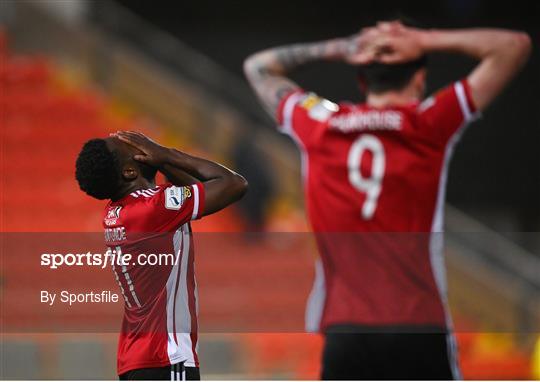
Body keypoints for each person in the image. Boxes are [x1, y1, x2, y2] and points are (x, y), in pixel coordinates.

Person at [244, 21, 531, 379]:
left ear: (362, 81)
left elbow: (258, 66)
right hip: (418, 324)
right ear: (419, 80)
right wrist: (421, 38)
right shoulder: (429, 122)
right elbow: (513, 45)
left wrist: (345, 46)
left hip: (346, 328)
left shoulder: (319, 123)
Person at [75, 131, 247, 380]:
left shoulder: (117, 212)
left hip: (136, 360)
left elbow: (193, 189)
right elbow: (234, 184)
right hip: (167, 357)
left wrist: (161, 160)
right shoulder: (154, 208)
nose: (141, 144)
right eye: (133, 147)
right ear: (129, 172)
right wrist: (165, 154)